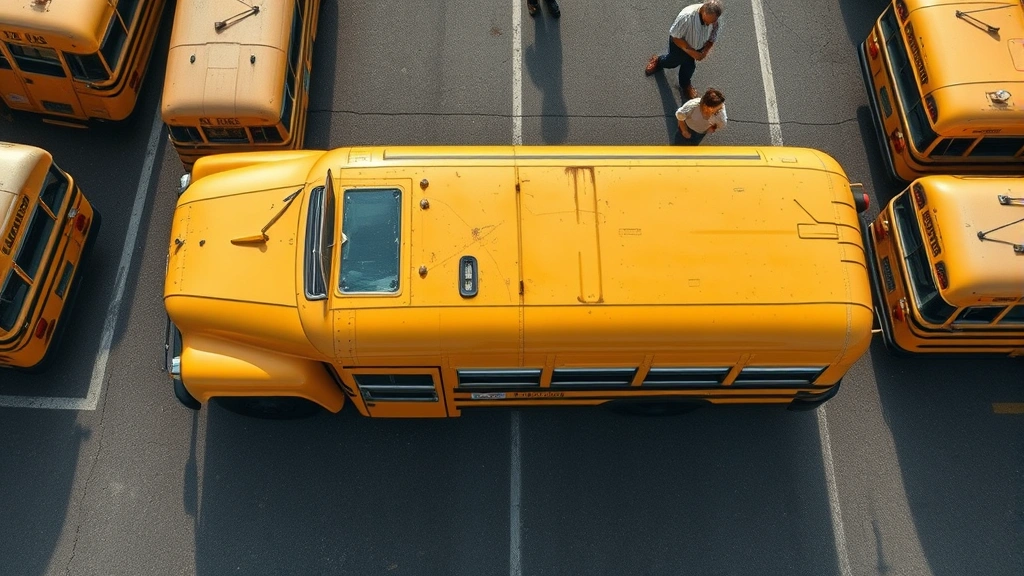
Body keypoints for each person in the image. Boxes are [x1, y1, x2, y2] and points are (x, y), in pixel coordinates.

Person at [645, 1, 723, 100]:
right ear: (704, 11)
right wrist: (693, 53)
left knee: (689, 67)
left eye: (712, 22)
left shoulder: (713, 19)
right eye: (707, 22)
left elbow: (713, 35)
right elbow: (675, 37)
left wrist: (705, 51)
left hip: (696, 47)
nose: (709, 24)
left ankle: (685, 85)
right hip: (680, 44)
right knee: (672, 62)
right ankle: (659, 61)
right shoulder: (687, 17)